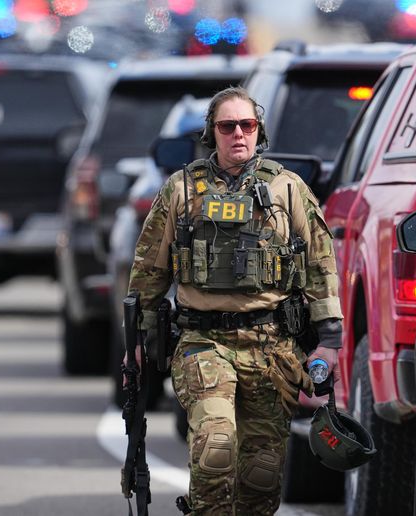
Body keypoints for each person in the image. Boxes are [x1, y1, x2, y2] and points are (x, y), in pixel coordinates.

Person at [127, 86, 343, 515]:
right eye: (228, 126)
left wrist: (329, 340)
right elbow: (150, 269)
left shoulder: (288, 189)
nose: (238, 134)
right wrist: (139, 337)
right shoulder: (181, 190)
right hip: (203, 343)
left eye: (247, 125)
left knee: (260, 477)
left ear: (258, 130)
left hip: (272, 346)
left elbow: (320, 264)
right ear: (213, 133)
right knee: (215, 446)